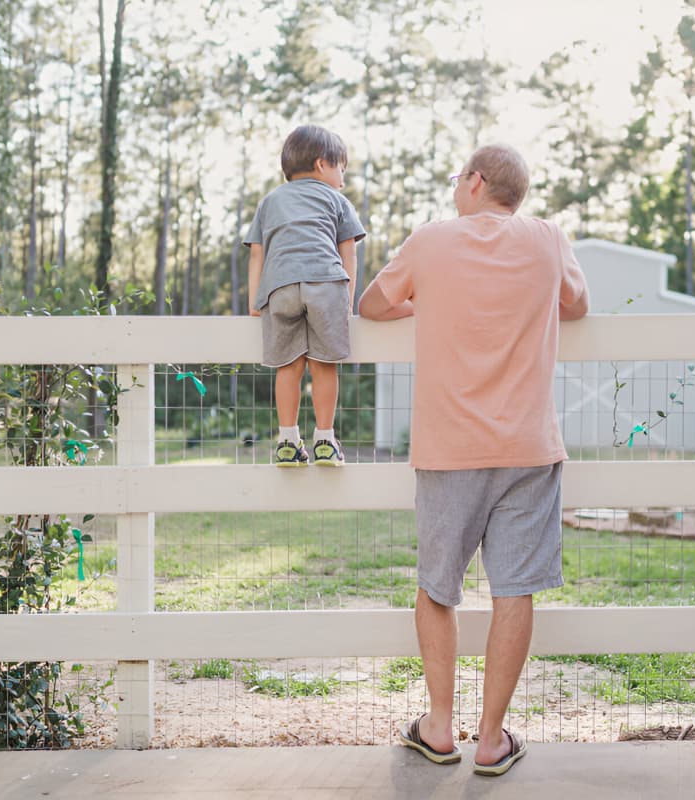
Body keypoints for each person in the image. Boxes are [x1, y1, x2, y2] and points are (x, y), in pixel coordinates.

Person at [359, 144, 589, 776]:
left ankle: (438, 727)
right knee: (514, 590)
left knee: (438, 589)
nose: (455, 187)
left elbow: (371, 306)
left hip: (449, 448)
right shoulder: (547, 239)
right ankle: (490, 740)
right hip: (526, 448)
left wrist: (426, 302)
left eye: (458, 178)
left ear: (478, 182)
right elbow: (577, 306)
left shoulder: (431, 242)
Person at [246, 125, 366, 467]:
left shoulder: (270, 201)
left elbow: (257, 252)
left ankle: (287, 441)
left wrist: (256, 301)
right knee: (324, 365)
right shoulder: (337, 200)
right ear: (321, 164)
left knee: (288, 366)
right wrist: (347, 300)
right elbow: (349, 252)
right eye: (341, 167)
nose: (342, 177)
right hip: (325, 282)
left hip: (278, 285)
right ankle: (325, 441)